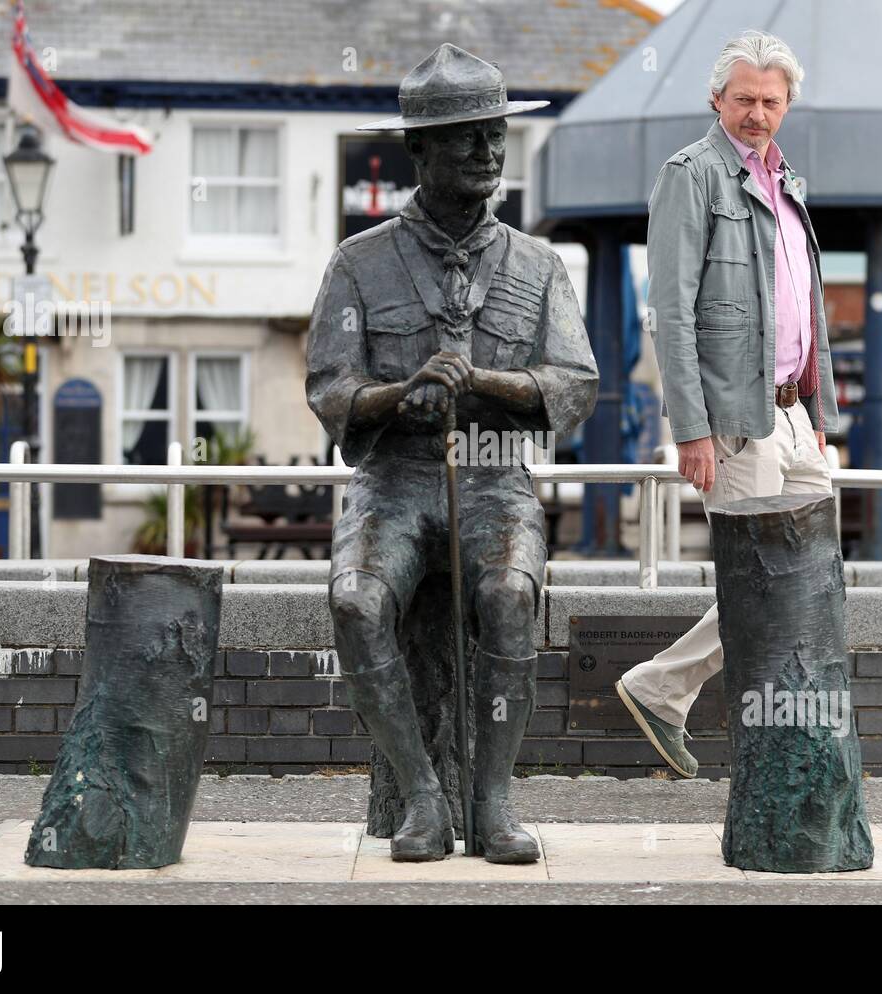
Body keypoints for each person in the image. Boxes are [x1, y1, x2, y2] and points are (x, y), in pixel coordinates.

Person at [306, 44, 598, 862]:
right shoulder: (358, 264)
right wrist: (401, 397)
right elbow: (331, 387)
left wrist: (489, 383)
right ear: (419, 150)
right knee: (358, 603)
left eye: (496, 134)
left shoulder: (538, 266)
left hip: (494, 479)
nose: (487, 152)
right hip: (394, 482)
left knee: (510, 594)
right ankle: (425, 799)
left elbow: (574, 383)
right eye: (466, 136)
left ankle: (493, 800)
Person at [616, 30, 840, 777]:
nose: (756, 113)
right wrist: (692, 429)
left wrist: (821, 420)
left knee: (813, 573)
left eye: (770, 101)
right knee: (761, 583)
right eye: (743, 98)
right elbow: (672, 314)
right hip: (732, 420)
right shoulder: (692, 175)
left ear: (789, 104)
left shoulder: (789, 183)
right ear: (717, 98)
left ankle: (661, 688)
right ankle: (760, 747)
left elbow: (808, 310)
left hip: (792, 415)